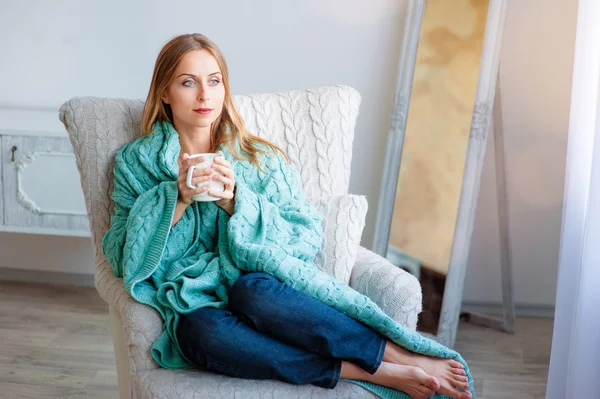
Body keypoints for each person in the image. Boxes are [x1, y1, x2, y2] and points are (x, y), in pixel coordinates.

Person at [112, 33, 472, 399]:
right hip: (195, 300)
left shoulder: (259, 158)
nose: (205, 95)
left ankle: (395, 352)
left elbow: (304, 234)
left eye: (214, 80)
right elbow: (121, 253)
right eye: (188, 82)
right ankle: (370, 371)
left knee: (251, 291)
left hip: (260, 289)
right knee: (198, 334)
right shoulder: (135, 163)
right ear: (165, 92)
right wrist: (176, 198)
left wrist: (238, 203)